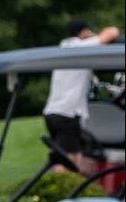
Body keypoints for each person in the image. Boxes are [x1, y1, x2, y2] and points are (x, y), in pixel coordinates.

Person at [43, 18, 121, 175]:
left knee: (77, 157)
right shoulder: (80, 47)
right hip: (67, 113)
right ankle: (61, 190)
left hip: (53, 113)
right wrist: (96, 36)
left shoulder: (65, 47)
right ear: (84, 32)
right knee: (68, 161)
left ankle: (81, 186)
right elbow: (112, 32)